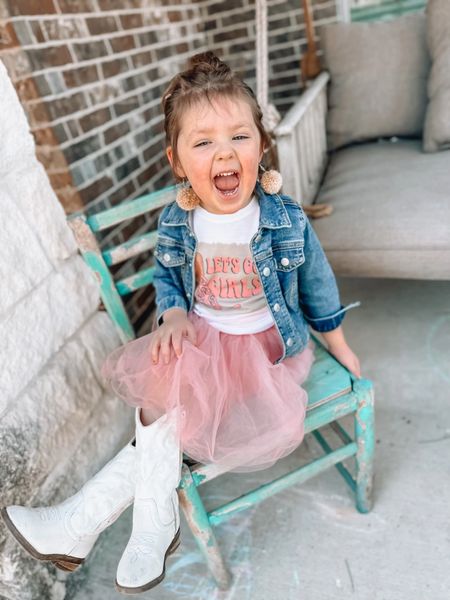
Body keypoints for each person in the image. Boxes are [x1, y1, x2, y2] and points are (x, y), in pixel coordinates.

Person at [1, 51, 361, 594]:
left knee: (165, 418)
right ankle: (148, 522)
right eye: (203, 142)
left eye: (240, 137)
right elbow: (168, 276)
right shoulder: (180, 219)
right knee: (156, 394)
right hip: (203, 340)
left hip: (265, 349)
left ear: (261, 147)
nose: (225, 153)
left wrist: (341, 343)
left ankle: (84, 523)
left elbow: (317, 284)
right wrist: (170, 314)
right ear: (178, 162)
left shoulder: (282, 217)